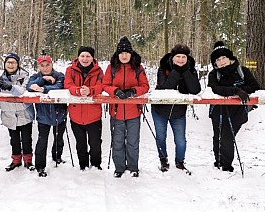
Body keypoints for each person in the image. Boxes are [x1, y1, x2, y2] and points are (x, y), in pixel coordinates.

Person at [208, 41, 259, 172]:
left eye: (224, 57)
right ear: (215, 63)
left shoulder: (243, 71)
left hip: (237, 111)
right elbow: (216, 89)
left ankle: (226, 166)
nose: (222, 61)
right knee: (217, 136)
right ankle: (218, 161)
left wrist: (242, 90)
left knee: (227, 137)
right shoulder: (214, 74)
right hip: (218, 110)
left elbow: (254, 86)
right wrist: (236, 91)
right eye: (218, 59)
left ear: (230, 57)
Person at [103, 36, 150, 178]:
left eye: (127, 53)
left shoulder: (138, 68)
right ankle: (119, 167)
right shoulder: (111, 68)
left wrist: (134, 91)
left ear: (131, 54)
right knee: (117, 142)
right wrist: (115, 91)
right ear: (118, 54)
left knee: (133, 142)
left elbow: (145, 86)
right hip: (116, 111)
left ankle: (133, 167)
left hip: (134, 111)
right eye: (121, 53)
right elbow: (105, 85)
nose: (124, 56)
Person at [151, 44, 201, 172]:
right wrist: (176, 71)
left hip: (178, 111)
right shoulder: (164, 68)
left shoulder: (191, 69)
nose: (180, 59)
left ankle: (180, 162)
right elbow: (165, 88)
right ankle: (163, 159)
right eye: (178, 56)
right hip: (160, 110)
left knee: (181, 140)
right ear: (173, 57)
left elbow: (195, 90)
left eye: (183, 56)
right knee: (161, 137)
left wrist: (184, 71)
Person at [0, 53, 35, 172]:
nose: (11, 64)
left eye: (13, 62)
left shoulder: (25, 76)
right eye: (8, 62)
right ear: (5, 64)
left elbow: (22, 91)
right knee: (14, 140)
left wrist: (11, 87)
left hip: (24, 113)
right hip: (8, 114)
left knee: (27, 139)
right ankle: (16, 160)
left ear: (18, 64)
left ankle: (28, 160)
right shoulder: (0, 78)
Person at [26, 54, 67, 177]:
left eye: (47, 65)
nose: (45, 68)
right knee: (42, 140)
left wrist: (43, 89)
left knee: (59, 138)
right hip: (43, 116)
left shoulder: (59, 75)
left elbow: (59, 87)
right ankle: (40, 166)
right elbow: (29, 86)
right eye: (42, 66)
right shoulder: (35, 76)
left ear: (52, 64)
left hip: (59, 114)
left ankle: (57, 157)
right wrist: (43, 79)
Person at [64, 46, 104, 171]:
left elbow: (102, 85)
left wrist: (90, 90)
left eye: (88, 56)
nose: (85, 59)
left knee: (95, 144)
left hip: (94, 115)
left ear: (93, 58)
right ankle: (83, 166)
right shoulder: (70, 70)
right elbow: (68, 84)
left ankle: (96, 165)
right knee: (80, 144)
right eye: (82, 56)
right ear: (78, 57)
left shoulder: (98, 71)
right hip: (76, 115)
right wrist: (77, 90)